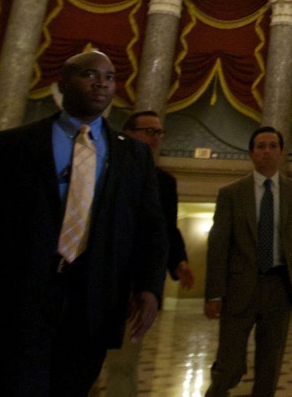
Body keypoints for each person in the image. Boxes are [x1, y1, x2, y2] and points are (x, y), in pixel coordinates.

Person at [0, 49, 167, 396]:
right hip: (18, 301)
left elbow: (149, 228)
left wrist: (149, 287)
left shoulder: (131, 155)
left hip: (90, 305)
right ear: (63, 82)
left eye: (109, 78)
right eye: (90, 74)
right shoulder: (13, 146)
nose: (101, 84)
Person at [203, 126, 292, 397]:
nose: (267, 151)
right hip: (239, 289)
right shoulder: (231, 193)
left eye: (273, 146)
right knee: (229, 363)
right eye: (261, 146)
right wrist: (214, 292)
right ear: (251, 153)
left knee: (270, 365)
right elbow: (218, 246)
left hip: (279, 288)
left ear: (281, 152)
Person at [98, 110, 195, 396]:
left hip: (135, 286)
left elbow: (164, 227)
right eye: (149, 131)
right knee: (80, 363)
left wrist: (178, 260)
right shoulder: (103, 168)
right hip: (95, 279)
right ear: (128, 133)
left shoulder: (164, 182)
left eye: (159, 133)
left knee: (124, 363)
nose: (155, 138)